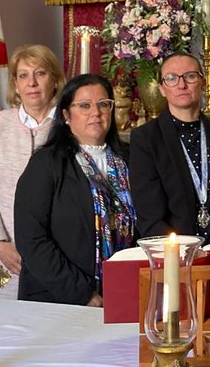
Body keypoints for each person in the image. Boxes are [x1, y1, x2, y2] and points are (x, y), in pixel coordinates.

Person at [15, 74, 136, 304]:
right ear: (66, 115)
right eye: (84, 106)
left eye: (103, 104)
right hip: (61, 298)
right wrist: (84, 294)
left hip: (125, 295)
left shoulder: (129, 159)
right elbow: (31, 239)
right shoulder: (46, 163)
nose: (96, 113)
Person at [0, 44, 64, 300]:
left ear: (55, 80)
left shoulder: (70, 125)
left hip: (60, 260)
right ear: (16, 84)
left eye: (40, 73)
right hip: (5, 258)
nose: (32, 83)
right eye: (23, 75)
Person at [128, 52, 210, 240]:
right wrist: (181, 251)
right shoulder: (146, 139)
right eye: (171, 78)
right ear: (162, 88)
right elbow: (149, 214)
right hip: (175, 250)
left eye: (190, 76)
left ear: (203, 82)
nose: (181, 84)